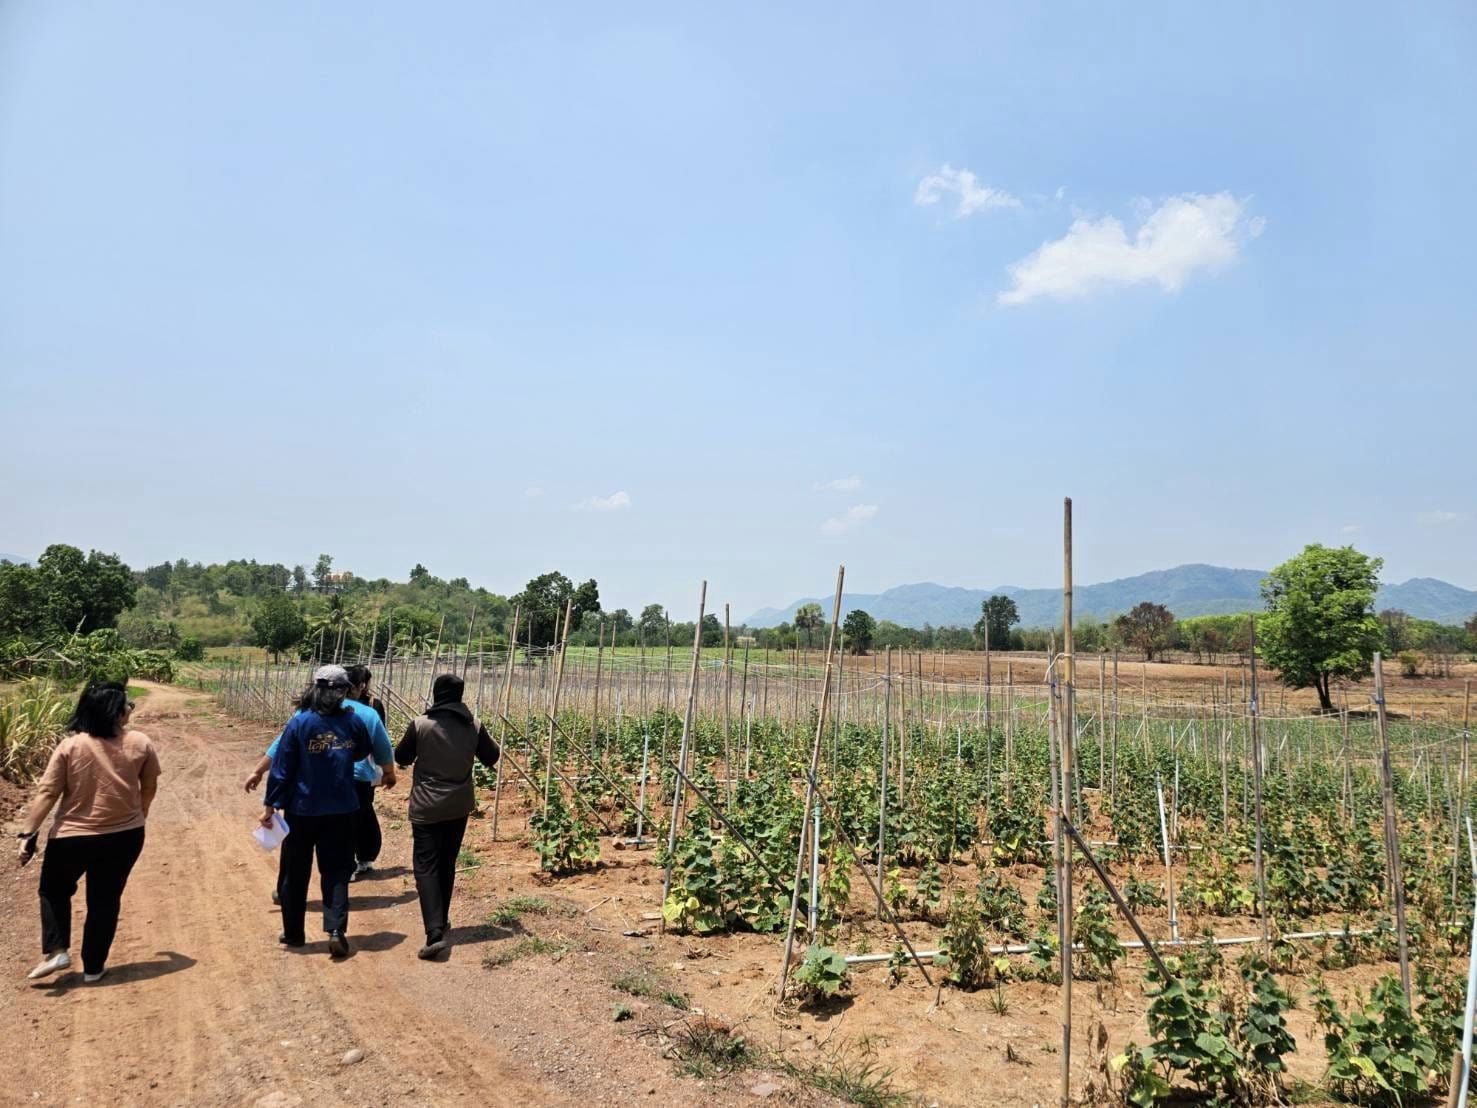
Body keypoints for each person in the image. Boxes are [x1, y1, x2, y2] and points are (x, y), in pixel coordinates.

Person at [16, 683, 161, 983]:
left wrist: (28, 833)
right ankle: (94, 968)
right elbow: (149, 786)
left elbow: (47, 792)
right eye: (126, 704)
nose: (129, 709)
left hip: (72, 837)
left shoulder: (71, 746)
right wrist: (140, 812)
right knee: (105, 899)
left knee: (54, 890)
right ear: (115, 711)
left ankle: (57, 950)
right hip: (125, 836)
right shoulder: (140, 742)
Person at [261, 665, 393, 958]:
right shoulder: (354, 722)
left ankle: (294, 933)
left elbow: (282, 770)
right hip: (342, 808)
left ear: (316, 688)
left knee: (295, 872)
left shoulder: (300, 723)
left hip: (302, 809)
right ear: (345, 691)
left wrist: (270, 806)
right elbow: (361, 752)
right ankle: (335, 929)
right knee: (335, 871)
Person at [394, 673, 498, 960]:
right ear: (460, 695)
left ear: (436, 694)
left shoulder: (420, 724)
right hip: (459, 805)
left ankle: (434, 931)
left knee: (426, 865)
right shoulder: (473, 725)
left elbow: (401, 757)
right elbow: (492, 756)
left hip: (427, 807)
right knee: (447, 861)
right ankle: (442, 919)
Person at [343, 664, 388, 880]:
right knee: (356, 813)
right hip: (360, 769)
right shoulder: (367, 709)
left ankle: (360, 857)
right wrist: (388, 770)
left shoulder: (372, 706)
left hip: (359, 769)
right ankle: (351, 860)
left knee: (358, 812)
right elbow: (382, 742)